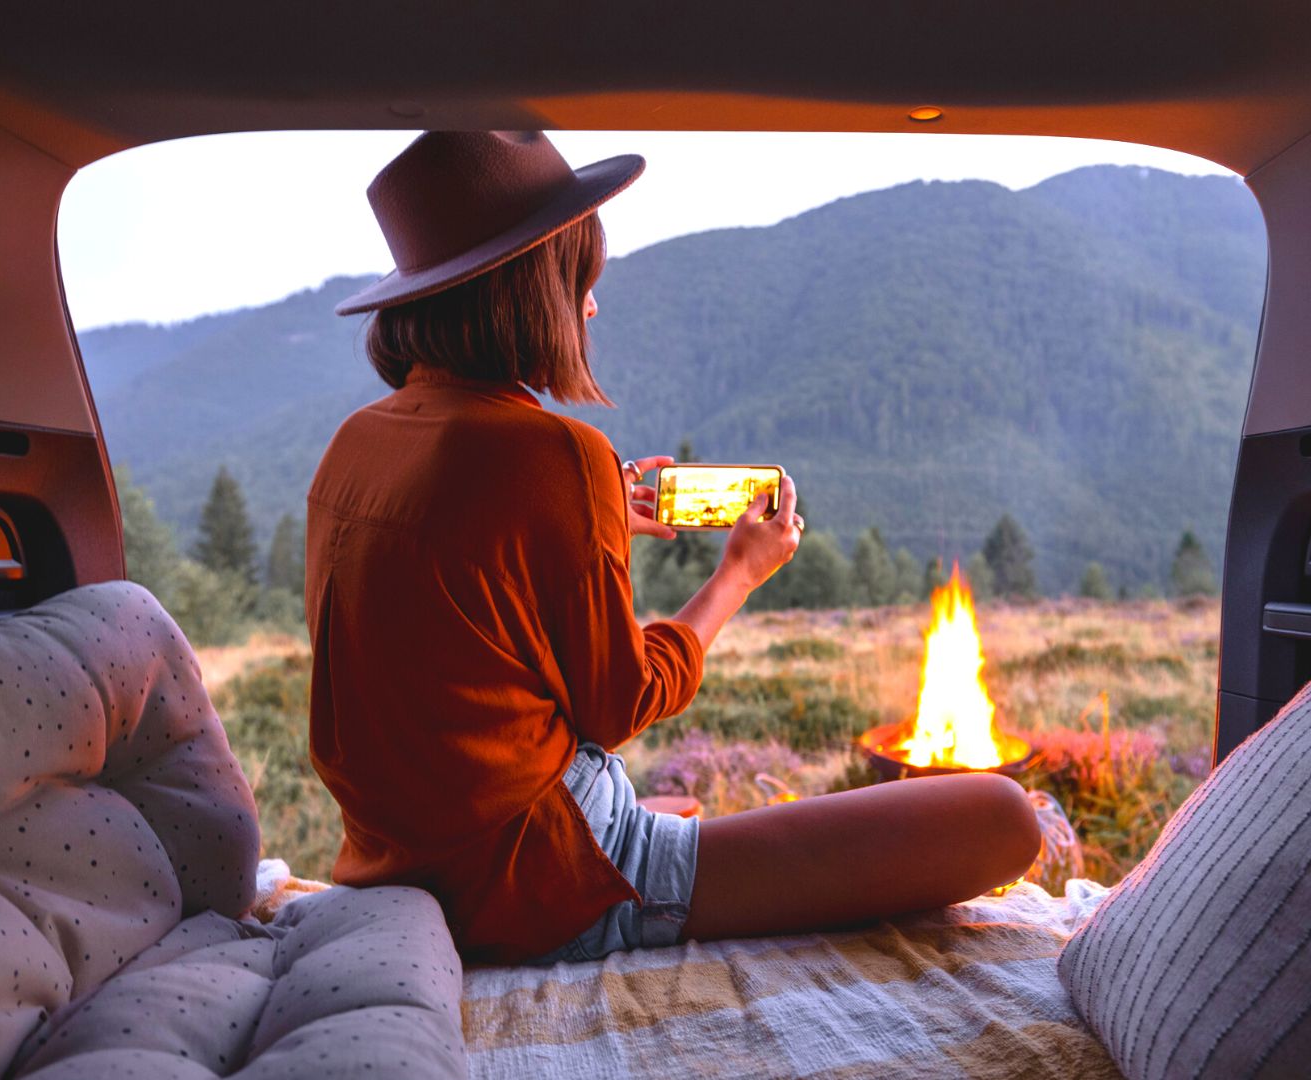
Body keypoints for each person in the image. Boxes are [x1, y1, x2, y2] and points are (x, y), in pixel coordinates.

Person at [307, 130, 1042, 965]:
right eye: (581, 280)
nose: (591, 306)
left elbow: (448, 623)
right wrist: (739, 573)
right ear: (532, 289)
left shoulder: (355, 445)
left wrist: (598, 520)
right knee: (1001, 818)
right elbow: (619, 706)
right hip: (539, 882)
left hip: (401, 864)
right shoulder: (553, 454)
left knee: (683, 808)